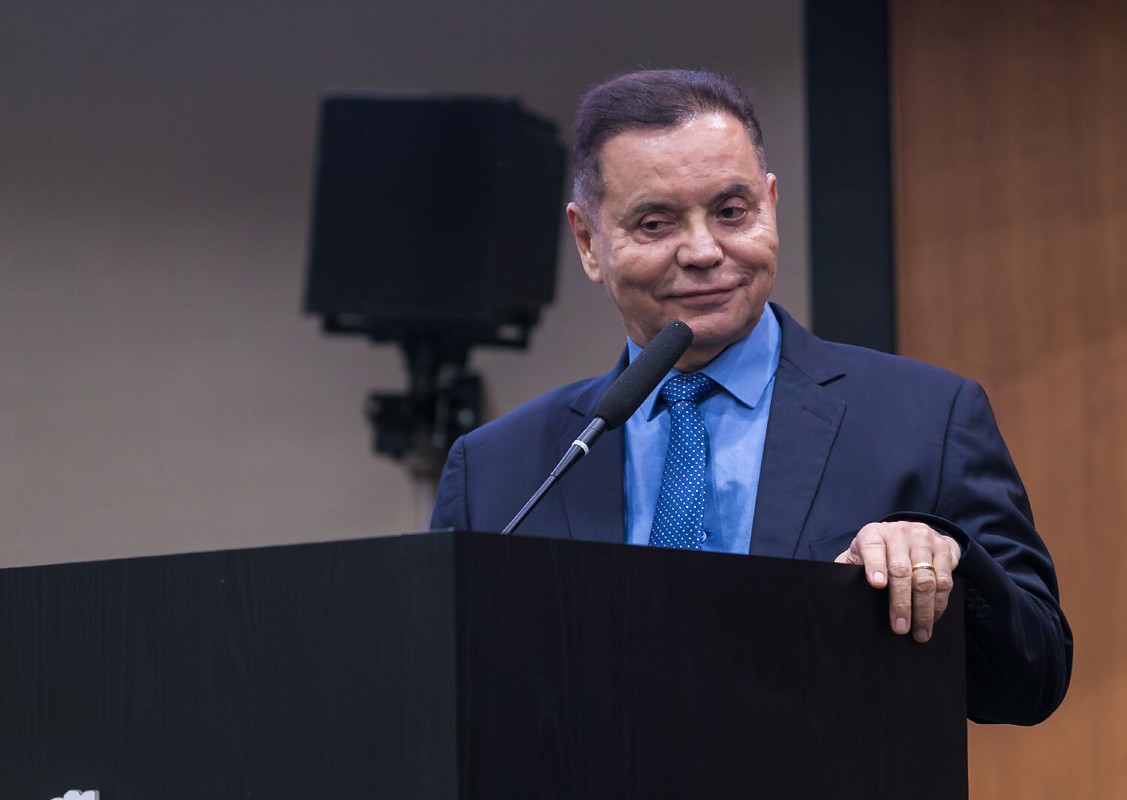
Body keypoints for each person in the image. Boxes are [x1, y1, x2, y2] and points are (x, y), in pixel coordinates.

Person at [430, 69, 1071, 725]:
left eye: (731, 212)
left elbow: (1034, 680)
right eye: (655, 223)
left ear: (770, 203)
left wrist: (948, 561)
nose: (703, 251)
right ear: (589, 243)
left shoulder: (927, 419)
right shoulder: (498, 470)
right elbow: (438, 702)